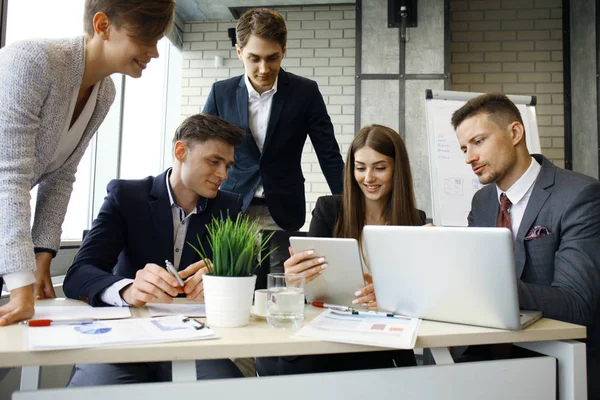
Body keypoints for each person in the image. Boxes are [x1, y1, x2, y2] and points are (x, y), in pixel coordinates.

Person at [0, 0, 175, 327]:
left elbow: (60, 178)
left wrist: (42, 258)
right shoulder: (33, 62)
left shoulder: (104, 92)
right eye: (146, 38)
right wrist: (21, 285)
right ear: (102, 26)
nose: (154, 53)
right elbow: (8, 178)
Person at [62, 114, 246, 385]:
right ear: (181, 152)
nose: (224, 175)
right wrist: (128, 289)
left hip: (195, 339)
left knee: (231, 391)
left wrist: (224, 274)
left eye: (228, 165)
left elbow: (254, 275)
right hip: (123, 338)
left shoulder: (228, 208)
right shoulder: (126, 197)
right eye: (214, 161)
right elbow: (79, 274)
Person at [452, 93, 600, 398]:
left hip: (555, 362)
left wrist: (495, 287)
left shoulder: (580, 195)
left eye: (478, 142)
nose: (468, 157)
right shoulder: (482, 201)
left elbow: (577, 304)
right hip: (484, 359)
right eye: (464, 148)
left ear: (515, 133)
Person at [257, 124, 426, 376]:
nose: (368, 178)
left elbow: (421, 296)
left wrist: (391, 298)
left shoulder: (415, 221)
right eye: (360, 168)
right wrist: (294, 281)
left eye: (380, 168)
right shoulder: (329, 210)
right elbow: (310, 291)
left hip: (382, 337)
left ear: (396, 170)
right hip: (329, 330)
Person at [202, 8, 344, 285]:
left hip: (283, 206)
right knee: (236, 281)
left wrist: (350, 203)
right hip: (234, 204)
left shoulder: (305, 92)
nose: (264, 69)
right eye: (254, 58)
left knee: (283, 285)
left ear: (284, 51)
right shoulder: (221, 92)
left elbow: (328, 153)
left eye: (272, 58)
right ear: (239, 52)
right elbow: (202, 149)